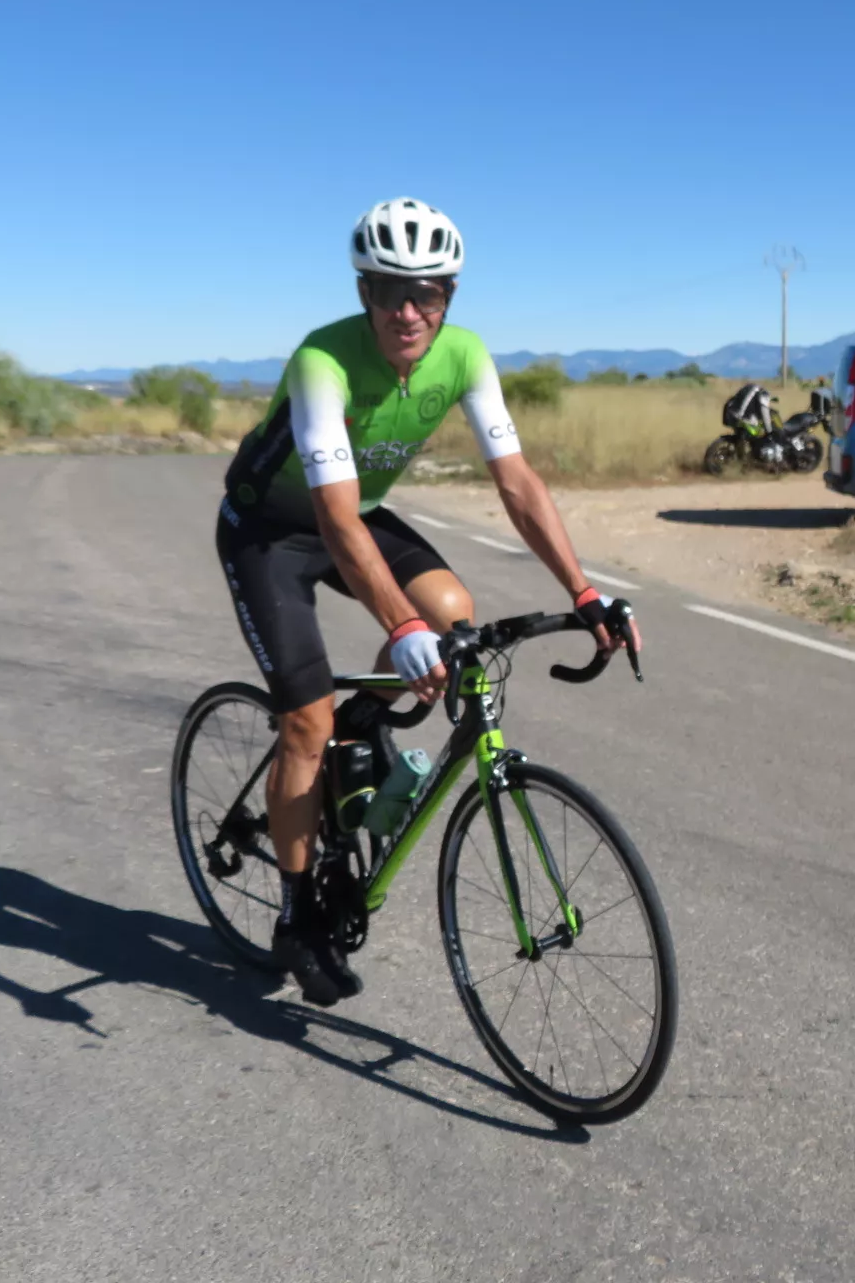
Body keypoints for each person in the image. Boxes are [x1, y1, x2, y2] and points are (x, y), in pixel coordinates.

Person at [216, 197, 639, 1006]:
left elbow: (516, 483)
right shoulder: (322, 360)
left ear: (449, 296)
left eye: (426, 293)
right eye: (388, 291)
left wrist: (583, 591)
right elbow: (334, 518)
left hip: (358, 515)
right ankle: (297, 918)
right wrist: (398, 625)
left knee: (453, 610)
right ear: (364, 292)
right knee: (306, 721)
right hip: (271, 531)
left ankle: (360, 729)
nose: (407, 312)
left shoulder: (466, 355)